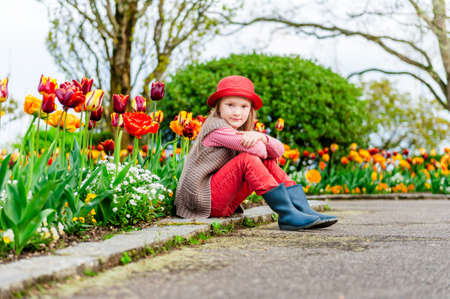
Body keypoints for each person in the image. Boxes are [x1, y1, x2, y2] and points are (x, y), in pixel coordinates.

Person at [175, 75, 337, 230]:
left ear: (250, 109)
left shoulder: (241, 131)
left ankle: (302, 210)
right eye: (230, 105)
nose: (237, 112)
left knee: (265, 161)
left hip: (223, 203)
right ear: (218, 107)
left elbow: (279, 151)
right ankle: (287, 214)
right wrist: (261, 140)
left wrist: (262, 137)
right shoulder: (217, 129)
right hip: (202, 202)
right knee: (248, 158)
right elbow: (258, 150)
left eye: (244, 106)